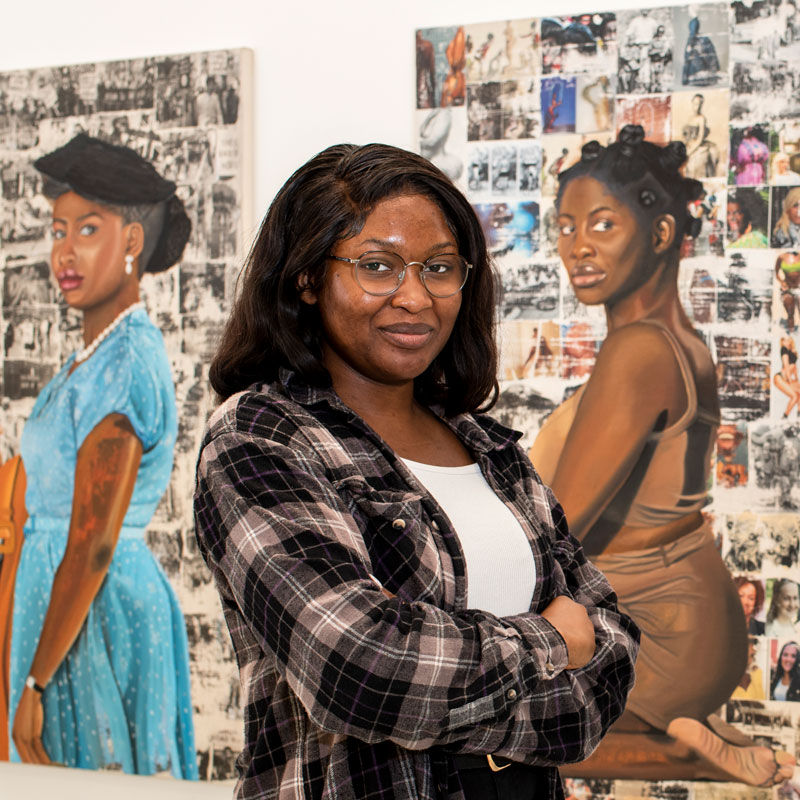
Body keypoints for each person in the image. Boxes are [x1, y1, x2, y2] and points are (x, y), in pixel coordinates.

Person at [193, 143, 639, 800]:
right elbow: (361, 668)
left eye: (438, 268)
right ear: (308, 278)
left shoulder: (490, 448)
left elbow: (611, 648)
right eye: (378, 266)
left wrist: (446, 701)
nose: (414, 297)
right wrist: (547, 640)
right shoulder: (262, 436)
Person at [530, 125, 794, 785]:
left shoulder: (638, 352)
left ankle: (672, 724)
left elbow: (554, 528)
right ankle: (683, 721)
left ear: (660, 234)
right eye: (564, 227)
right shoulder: (679, 340)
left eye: (601, 224)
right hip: (689, 624)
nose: (577, 248)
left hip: (653, 640)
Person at [5, 134, 197, 777]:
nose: (65, 250)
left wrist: (34, 684)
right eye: (59, 229)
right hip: (60, 606)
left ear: (133, 243)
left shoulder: (126, 362)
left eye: (88, 228)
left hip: (92, 613)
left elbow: (92, 544)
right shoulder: (88, 357)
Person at [775, 335, 800, 417]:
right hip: (780, 378)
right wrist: (790, 380)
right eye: (784, 340)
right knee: (795, 396)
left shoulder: (791, 351)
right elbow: (786, 366)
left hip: (785, 378)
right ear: (782, 342)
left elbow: (794, 366)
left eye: (788, 340)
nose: (786, 342)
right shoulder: (784, 350)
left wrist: (796, 379)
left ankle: (799, 414)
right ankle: (785, 417)